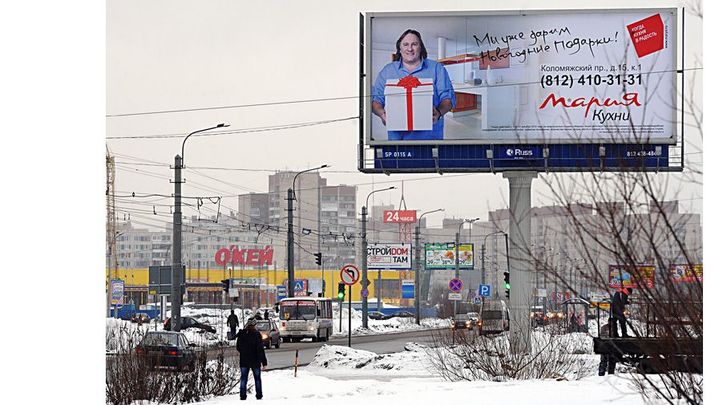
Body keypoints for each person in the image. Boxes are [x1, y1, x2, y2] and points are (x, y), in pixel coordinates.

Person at [372, 29, 456, 141]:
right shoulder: (387, 70)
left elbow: (448, 99)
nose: (410, 48)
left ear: (420, 47)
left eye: (414, 44)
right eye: (405, 44)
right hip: (398, 138)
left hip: (430, 138)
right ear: (399, 48)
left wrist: (439, 113)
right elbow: (375, 99)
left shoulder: (437, 68)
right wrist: (382, 114)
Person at [236, 319, 268, 400]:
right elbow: (260, 349)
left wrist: (243, 353)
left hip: (244, 360)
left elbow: (238, 347)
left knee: (243, 378)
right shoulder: (257, 335)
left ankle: (242, 396)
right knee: (257, 379)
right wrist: (264, 362)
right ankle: (259, 395)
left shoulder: (242, 334)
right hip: (255, 360)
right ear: (254, 325)